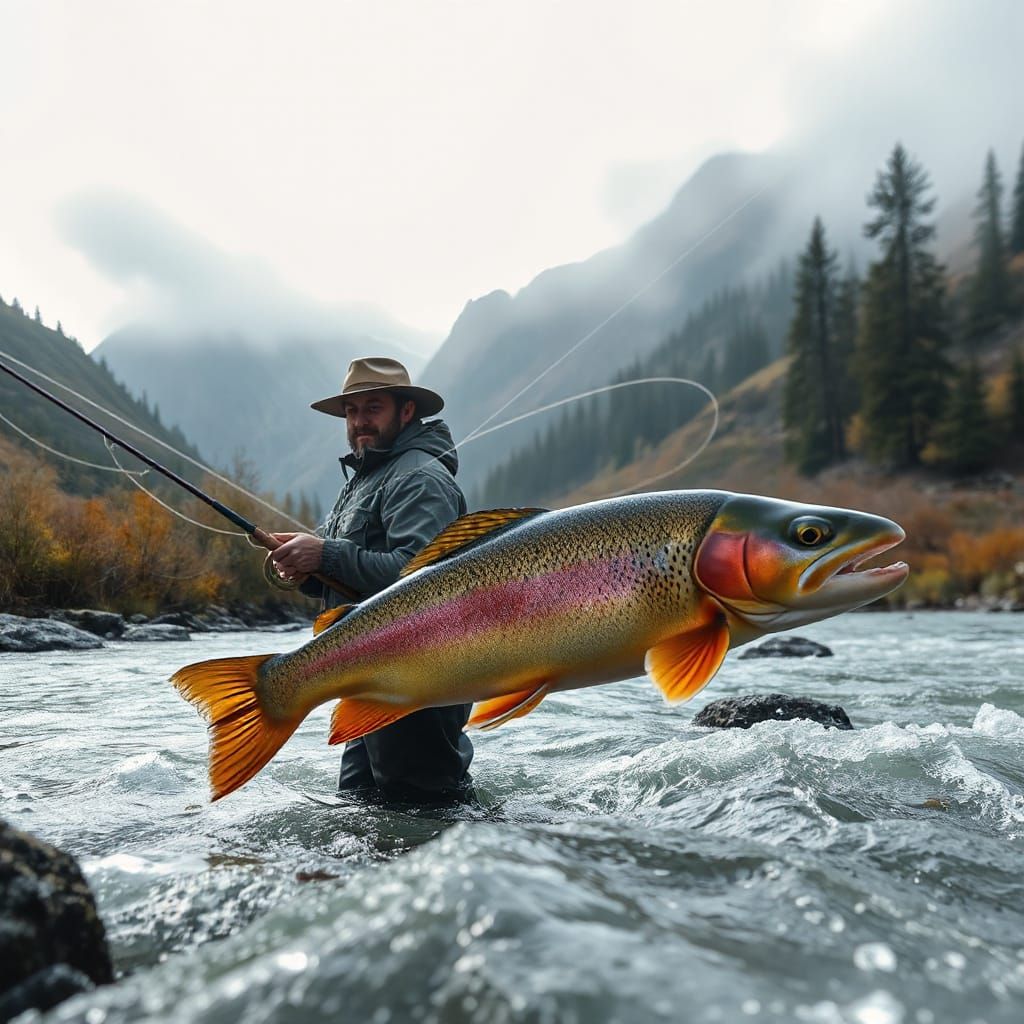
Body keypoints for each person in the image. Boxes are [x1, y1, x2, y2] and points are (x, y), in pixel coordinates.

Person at [270, 356, 474, 805]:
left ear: (406, 411)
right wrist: (308, 570)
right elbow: (356, 577)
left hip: (417, 679)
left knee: (425, 817)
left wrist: (324, 552)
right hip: (372, 676)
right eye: (351, 411)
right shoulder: (366, 476)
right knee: (363, 809)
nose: (359, 421)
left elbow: (424, 582)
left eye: (373, 407)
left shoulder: (419, 476)